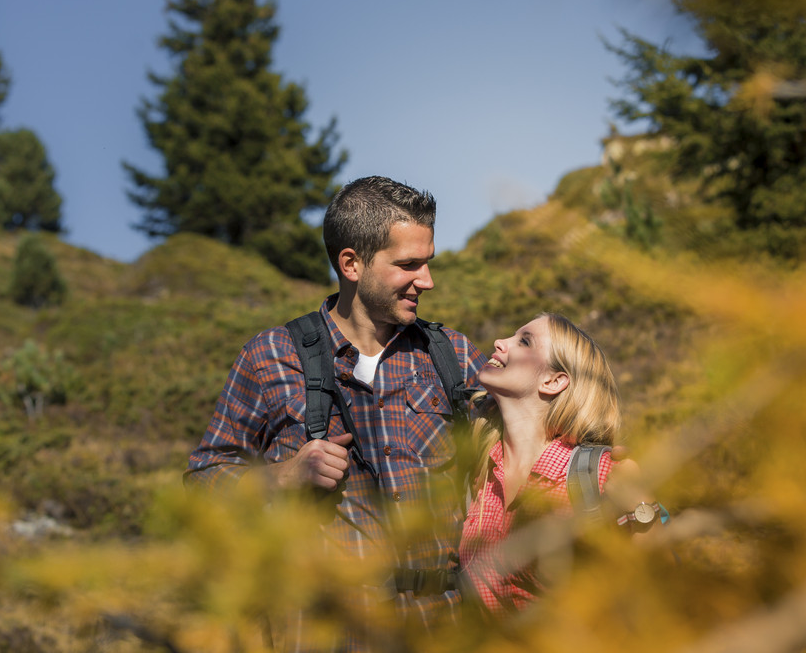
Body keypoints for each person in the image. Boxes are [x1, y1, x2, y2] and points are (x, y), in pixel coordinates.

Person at [185, 175, 490, 650]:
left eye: (427, 263)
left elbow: (524, 457)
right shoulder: (270, 356)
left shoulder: (452, 354)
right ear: (351, 263)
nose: (426, 281)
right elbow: (203, 481)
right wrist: (282, 476)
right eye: (409, 265)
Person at [459, 313, 663, 619]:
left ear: (553, 381)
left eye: (524, 341)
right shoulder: (481, 473)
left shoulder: (601, 475)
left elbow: (662, 593)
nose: (499, 343)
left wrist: (642, 508)